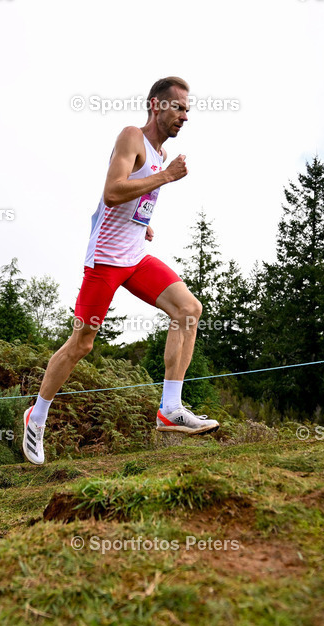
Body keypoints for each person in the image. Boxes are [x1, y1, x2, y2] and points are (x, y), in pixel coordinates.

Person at [22, 77, 219, 466]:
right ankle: (37, 416)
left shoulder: (161, 154)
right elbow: (112, 191)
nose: (184, 116)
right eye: (178, 107)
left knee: (188, 310)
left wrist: (140, 223)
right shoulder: (132, 137)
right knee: (82, 344)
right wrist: (165, 177)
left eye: (187, 110)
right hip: (106, 261)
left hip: (135, 255)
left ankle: (170, 407)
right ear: (156, 106)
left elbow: (129, 201)